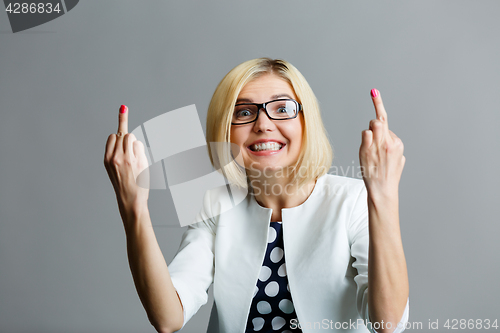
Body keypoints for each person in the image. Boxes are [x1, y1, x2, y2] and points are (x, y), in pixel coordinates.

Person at [104, 58, 409, 333]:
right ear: (225, 132)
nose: (263, 124)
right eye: (244, 112)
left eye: (282, 108)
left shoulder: (353, 200)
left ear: (306, 123)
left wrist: (382, 195)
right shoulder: (216, 204)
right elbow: (167, 317)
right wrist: (134, 209)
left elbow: (387, 323)